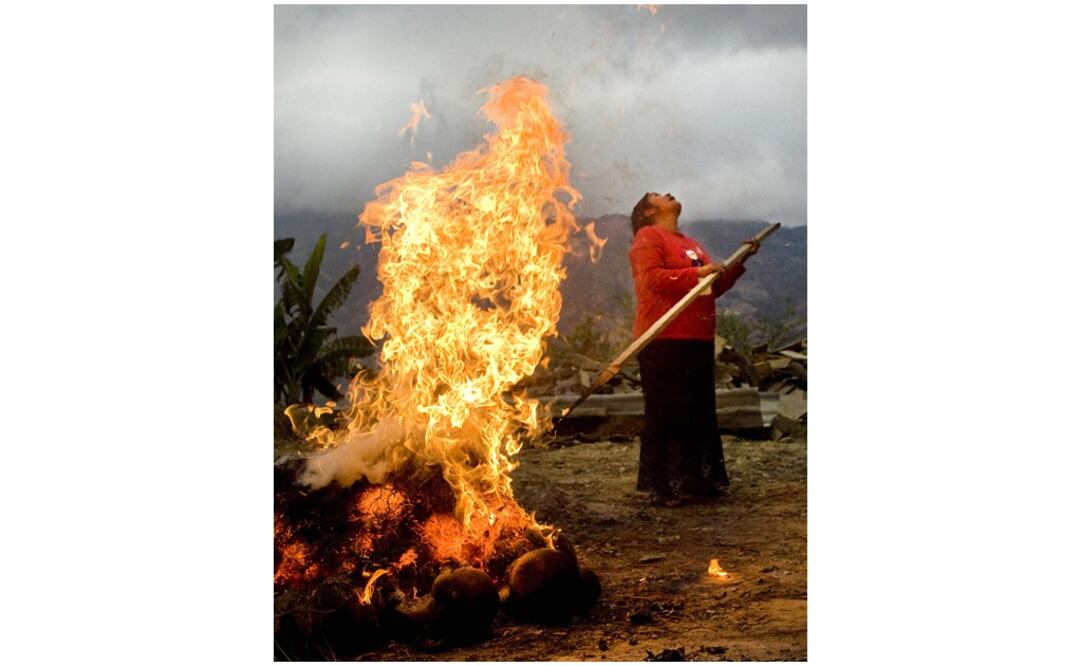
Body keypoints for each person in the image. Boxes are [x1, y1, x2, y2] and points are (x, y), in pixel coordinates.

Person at [628, 192, 758, 505]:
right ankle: (663, 487)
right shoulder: (648, 236)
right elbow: (651, 279)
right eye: (658, 195)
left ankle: (696, 481)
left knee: (697, 412)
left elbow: (710, 288)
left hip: (697, 336)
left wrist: (738, 263)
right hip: (663, 336)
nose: (668, 194)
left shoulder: (691, 243)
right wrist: (695, 274)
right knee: (666, 412)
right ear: (649, 211)